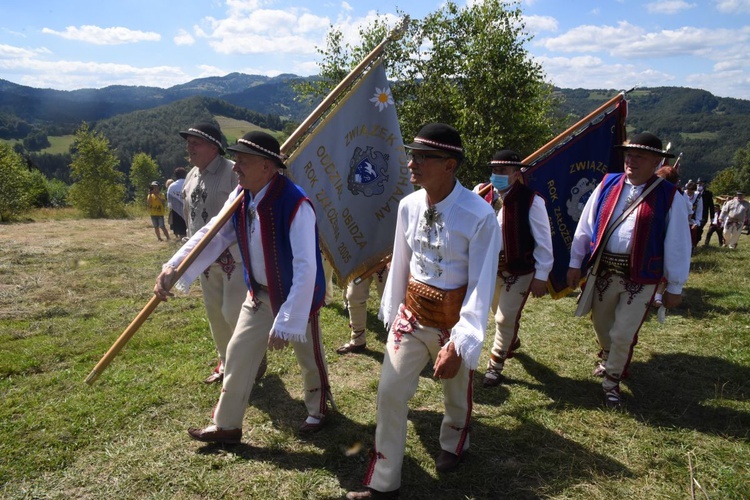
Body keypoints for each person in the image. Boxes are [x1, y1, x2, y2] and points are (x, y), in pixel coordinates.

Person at [346, 124, 501, 499]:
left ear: (449, 165)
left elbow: (482, 283)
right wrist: (394, 312)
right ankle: (384, 482)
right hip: (412, 317)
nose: (412, 163)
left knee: (456, 395)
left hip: (454, 321)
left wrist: (461, 340)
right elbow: (402, 262)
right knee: (390, 391)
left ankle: (454, 443)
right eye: (411, 155)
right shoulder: (408, 205)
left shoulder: (479, 215)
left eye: (422, 157)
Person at [154, 131, 334, 443]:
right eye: (235, 160)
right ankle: (227, 426)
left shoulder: (295, 204)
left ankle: (318, 410)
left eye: (243, 162)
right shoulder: (242, 194)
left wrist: (289, 317)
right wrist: (175, 265)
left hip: (297, 295)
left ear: (267, 167)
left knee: (308, 357)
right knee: (237, 353)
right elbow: (214, 233)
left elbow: (306, 266)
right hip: (259, 293)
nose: (235, 167)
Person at [566, 132, 691, 409]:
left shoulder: (670, 197)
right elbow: (585, 227)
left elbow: (678, 244)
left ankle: (611, 381)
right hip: (604, 271)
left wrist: (675, 286)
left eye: (639, 156)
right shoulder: (608, 184)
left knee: (624, 332)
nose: (631, 161)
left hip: (641, 278)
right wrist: (575, 263)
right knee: (601, 325)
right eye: (628, 155)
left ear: (656, 161)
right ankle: (611, 357)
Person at [179, 122, 257, 385]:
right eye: (188, 142)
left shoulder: (231, 173)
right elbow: (189, 212)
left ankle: (249, 363)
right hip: (203, 258)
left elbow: (249, 210)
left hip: (233, 257)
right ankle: (227, 363)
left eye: (195, 143)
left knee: (233, 312)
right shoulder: (191, 175)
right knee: (215, 314)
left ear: (214, 147)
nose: (189, 147)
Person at [473, 150, 553, 387]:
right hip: (489, 269)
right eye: (494, 170)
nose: (497, 175)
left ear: (516, 174)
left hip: (519, 269)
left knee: (504, 318)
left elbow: (543, 241)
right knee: (497, 312)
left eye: (503, 171)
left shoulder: (532, 200)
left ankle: (495, 366)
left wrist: (541, 275)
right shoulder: (481, 194)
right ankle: (511, 340)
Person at [335, 266, 389, 354]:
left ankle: (398, 340)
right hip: (362, 259)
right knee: (354, 296)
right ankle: (358, 339)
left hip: (386, 258)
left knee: (389, 299)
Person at [167, 167, 188, 239]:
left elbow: (169, 201)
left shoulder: (171, 186)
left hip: (177, 212)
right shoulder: (189, 183)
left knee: (181, 233)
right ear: (185, 174)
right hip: (189, 210)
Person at [685, 181, 703, 249]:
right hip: (682, 218)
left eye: (691, 192)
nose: (689, 193)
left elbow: (699, 210)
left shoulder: (698, 196)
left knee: (693, 233)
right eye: (688, 191)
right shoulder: (682, 194)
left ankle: (692, 247)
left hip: (692, 219)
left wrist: (697, 222)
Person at [696, 178, 714, 244]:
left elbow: (711, 206)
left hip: (703, 215)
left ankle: (696, 242)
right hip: (694, 215)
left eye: (701, 183)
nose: (699, 185)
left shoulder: (708, 194)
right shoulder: (694, 193)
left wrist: (712, 217)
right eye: (698, 183)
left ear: (704, 185)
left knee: (699, 228)